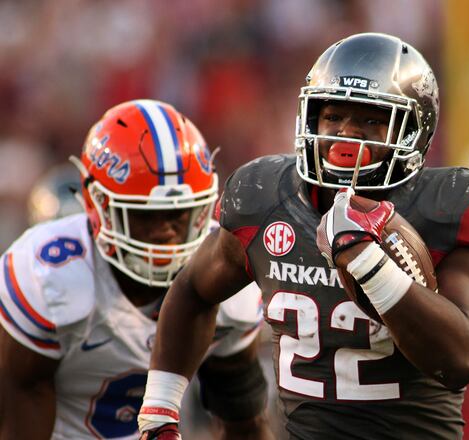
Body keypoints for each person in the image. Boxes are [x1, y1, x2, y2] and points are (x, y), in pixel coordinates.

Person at [137, 32, 469, 439]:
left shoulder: (449, 207)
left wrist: (370, 265)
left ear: (412, 132)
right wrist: (160, 408)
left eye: (370, 120)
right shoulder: (265, 199)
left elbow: (464, 359)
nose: (345, 135)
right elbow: (192, 290)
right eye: (333, 116)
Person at [0, 99, 269, 440]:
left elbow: (244, 424)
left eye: (179, 214)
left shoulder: (224, 274)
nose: (165, 232)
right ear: (98, 204)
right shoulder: (50, 275)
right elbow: (19, 419)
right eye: (145, 215)